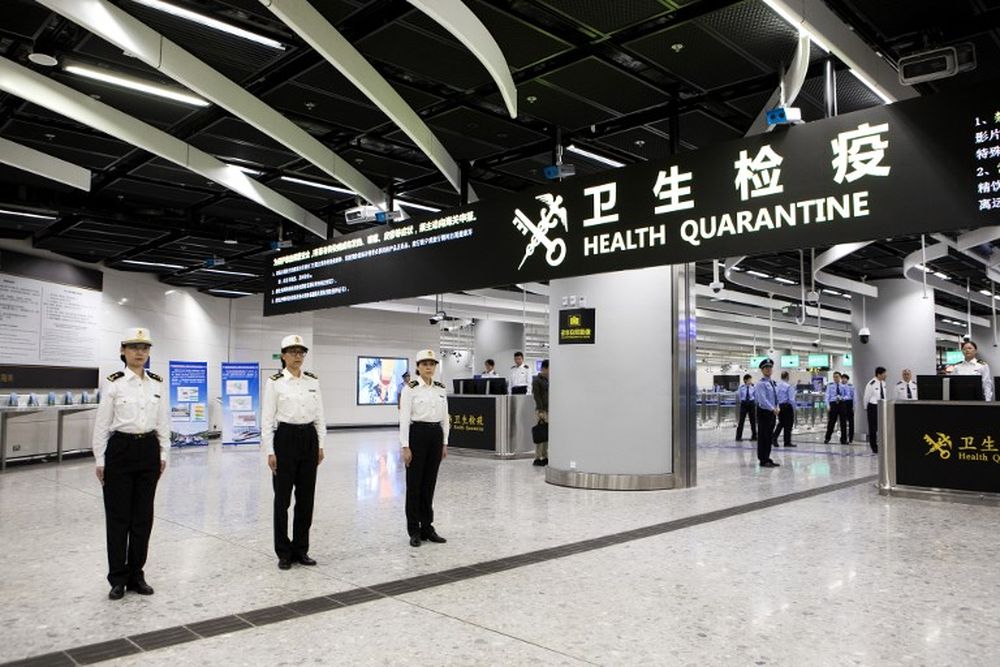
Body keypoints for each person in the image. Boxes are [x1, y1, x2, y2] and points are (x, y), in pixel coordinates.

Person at [92, 327, 169, 600]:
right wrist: (100, 459)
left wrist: (163, 455)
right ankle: (117, 578)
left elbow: (163, 422)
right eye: (134, 347)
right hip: (120, 450)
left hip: (148, 449)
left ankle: (137, 574)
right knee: (118, 518)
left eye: (145, 348)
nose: (140, 352)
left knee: (142, 517)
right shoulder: (114, 382)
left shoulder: (157, 382)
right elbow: (102, 424)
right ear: (123, 351)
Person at [262, 334, 326, 570]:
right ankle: (283, 551)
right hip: (285, 439)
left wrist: (320, 445)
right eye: (293, 352)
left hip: (308, 438)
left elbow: (320, 415)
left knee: (306, 499)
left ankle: (301, 549)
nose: (298, 356)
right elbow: (267, 419)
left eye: (301, 352)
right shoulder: (275, 382)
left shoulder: (312, 381)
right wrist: (270, 451)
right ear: (283, 356)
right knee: (282, 500)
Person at [399, 349, 450, 547]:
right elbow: (404, 419)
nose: (429, 367)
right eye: (425, 364)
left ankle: (427, 527)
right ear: (418, 367)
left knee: (429, 484)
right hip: (417, 435)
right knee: (414, 485)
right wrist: (405, 446)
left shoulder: (440, 388)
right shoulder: (410, 388)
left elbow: (446, 417)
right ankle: (414, 529)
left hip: (435, 436)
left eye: (432, 364)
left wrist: (445, 442)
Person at [754, 359, 781, 468]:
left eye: (770, 367)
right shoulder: (761, 384)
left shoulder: (773, 383)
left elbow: (776, 398)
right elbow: (762, 400)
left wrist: (777, 407)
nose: (768, 369)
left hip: (772, 412)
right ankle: (763, 460)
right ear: (762, 370)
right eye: (766, 368)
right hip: (764, 412)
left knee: (769, 436)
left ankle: (767, 458)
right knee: (763, 436)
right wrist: (772, 408)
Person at [863, 366, 888, 453]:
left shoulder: (883, 383)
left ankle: (882, 444)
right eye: (884, 373)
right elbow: (866, 397)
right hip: (873, 407)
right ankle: (874, 446)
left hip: (882, 407)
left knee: (882, 427)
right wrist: (866, 408)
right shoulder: (871, 383)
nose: (886, 375)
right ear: (879, 374)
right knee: (873, 428)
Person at [531, 360, 549, 466]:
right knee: (540, 435)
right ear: (544, 368)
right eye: (549, 369)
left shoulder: (547, 380)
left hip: (548, 410)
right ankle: (537, 457)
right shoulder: (537, 380)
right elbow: (537, 396)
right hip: (541, 410)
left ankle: (545, 456)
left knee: (546, 435)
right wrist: (541, 411)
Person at [772, 370, 796, 448]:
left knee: (781, 423)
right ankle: (787, 442)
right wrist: (794, 408)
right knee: (788, 425)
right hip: (787, 406)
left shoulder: (777, 385)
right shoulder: (788, 386)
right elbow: (791, 399)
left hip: (780, 406)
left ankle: (774, 438)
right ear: (787, 377)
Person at [823, 372, 848, 444]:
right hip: (833, 404)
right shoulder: (830, 385)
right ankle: (827, 438)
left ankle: (843, 439)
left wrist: (842, 398)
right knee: (831, 422)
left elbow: (847, 395)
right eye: (834, 377)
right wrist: (828, 406)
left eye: (837, 377)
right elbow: (827, 396)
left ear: (840, 377)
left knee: (843, 422)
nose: (835, 378)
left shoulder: (843, 386)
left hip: (841, 403)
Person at [734, 374, 757, 441]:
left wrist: (753, 402)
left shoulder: (753, 387)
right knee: (741, 421)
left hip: (751, 404)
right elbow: (739, 395)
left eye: (750, 379)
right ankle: (738, 437)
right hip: (744, 404)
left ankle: (754, 436)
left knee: (753, 421)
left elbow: (755, 395)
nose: (750, 381)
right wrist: (742, 401)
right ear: (745, 380)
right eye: (749, 379)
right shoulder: (741, 387)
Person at [840, 373, 855, 443]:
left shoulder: (851, 386)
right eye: (842, 378)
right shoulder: (839, 386)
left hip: (849, 403)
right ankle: (843, 437)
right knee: (843, 422)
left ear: (847, 379)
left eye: (844, 378)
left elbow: (854, 397)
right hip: (842, 403)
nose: (843, 379)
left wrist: (854, 406)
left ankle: (851, 437)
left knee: (851, 421)